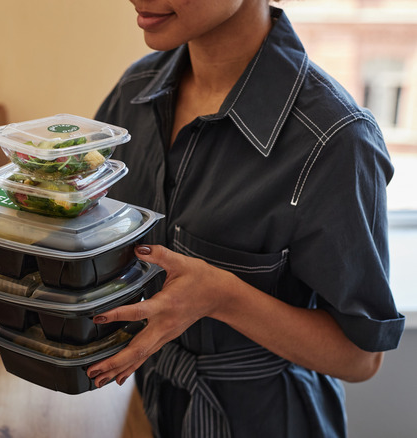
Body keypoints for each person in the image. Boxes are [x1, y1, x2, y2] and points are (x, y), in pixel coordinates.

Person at [84, 0, 405, 436]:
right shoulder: (135, 91)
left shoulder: (334, 139)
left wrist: (224, 297)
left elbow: (360, 357)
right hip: (145, 408)